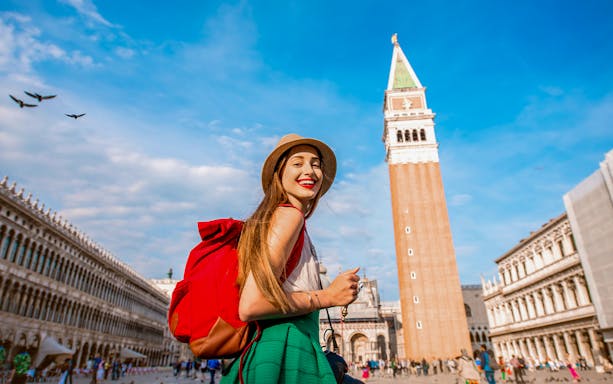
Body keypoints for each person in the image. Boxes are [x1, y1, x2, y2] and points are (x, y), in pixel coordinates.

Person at [220, 134, 360, 384]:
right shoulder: (289, 217)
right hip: (286, 355)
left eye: (315, 163)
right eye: (297, 163)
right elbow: (251, 305)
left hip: (282, 350)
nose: (310, 170)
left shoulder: (282, 219)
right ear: (279, 173)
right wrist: (329, 296)